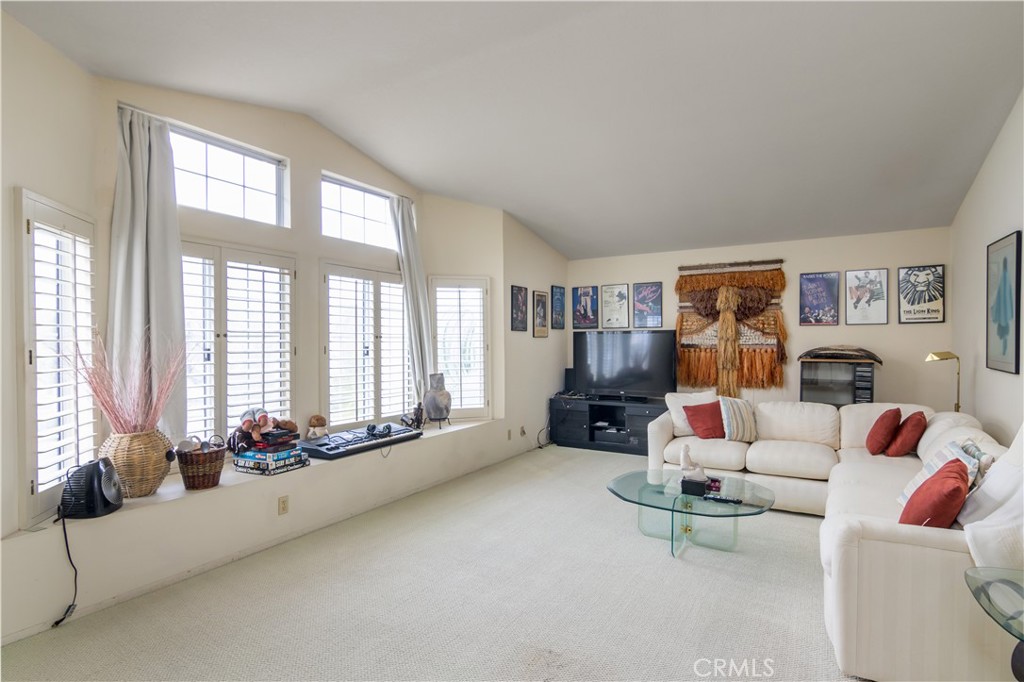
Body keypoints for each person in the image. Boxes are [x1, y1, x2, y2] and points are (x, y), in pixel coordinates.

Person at [991, 256, 1015, 355]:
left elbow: (1004, 297)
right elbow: (1004, 297)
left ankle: (1004, 349)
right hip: (1004, 314)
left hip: (1003, 314)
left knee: (1005, 332)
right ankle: (1004, 348)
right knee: (1004, 332)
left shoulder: (1005, 279)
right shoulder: (1005, 279)